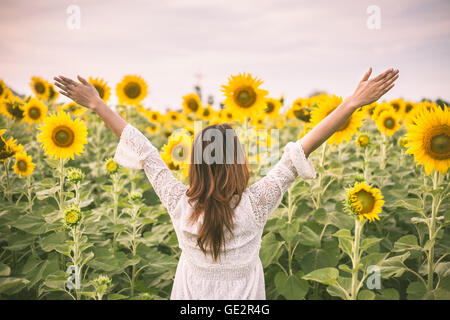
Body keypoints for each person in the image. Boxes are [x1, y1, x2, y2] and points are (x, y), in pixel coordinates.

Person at [54, 67, 399, 299]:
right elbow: (303, 146)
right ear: (239, 165)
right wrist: (352, 103)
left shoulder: (178, 203)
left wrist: (97, 104)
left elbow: (143, 150)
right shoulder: (257, 203)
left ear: (194, 167)